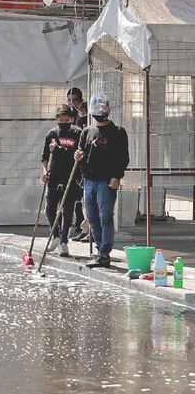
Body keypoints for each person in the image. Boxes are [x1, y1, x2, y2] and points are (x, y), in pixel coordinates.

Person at [74, 94, 130, 269]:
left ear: (109, 109)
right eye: (97, 107)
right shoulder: (87, 131)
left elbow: (123, 157)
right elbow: (81, 153)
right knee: (92, 217)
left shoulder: (118, 132)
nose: (100, 110)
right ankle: (100, 250)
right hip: (89, 180)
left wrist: (117, 176)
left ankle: (105, 253)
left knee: (105, 217)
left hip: (107, 180)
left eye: (103, 107)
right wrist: (78, 156)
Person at [41, 105, 83, 258]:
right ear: (56, 119)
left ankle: (64, 241)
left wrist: (58, 149)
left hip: (71, 176)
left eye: (67, 120)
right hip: (54, 175)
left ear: (72, 119)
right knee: (49, 209)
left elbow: (77, 153)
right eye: (61, 120)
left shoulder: (78, 133)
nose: (64, 122)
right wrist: (45, 171)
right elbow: (45, 156)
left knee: (67, 210)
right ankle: (56, 235)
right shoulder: (51, 134)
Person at [66, 87, 89, 241]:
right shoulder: (71, 115)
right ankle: (79, 226)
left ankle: (85, 228)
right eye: (70, 100)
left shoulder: (86, 116)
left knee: (84, 195)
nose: (72, 103)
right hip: (73, 158)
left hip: (84, 160)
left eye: (75, 99)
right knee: (76, 196)